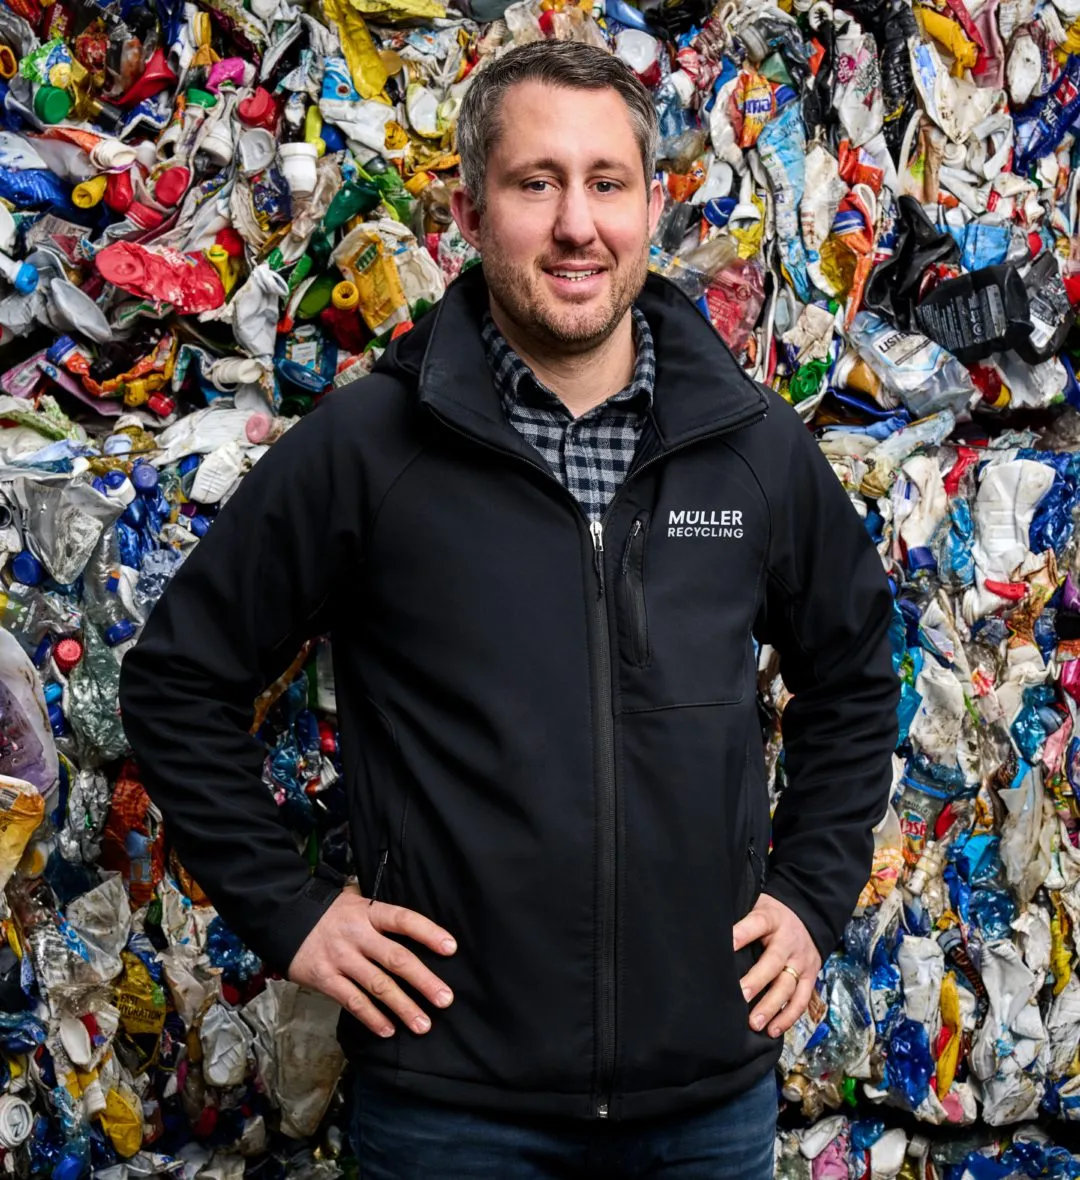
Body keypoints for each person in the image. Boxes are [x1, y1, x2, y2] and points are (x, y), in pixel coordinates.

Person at [118, 39, 900, 1180]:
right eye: (537, 183)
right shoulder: (368, 448)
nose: (577, 224)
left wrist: (812, 893)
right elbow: (176, 681)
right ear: (469, 211)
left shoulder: (753, 447)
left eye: (607, 182)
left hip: (707, 1106)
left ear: (653, 207)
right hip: (452, 1111)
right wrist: (294, 912)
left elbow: (856, 671)